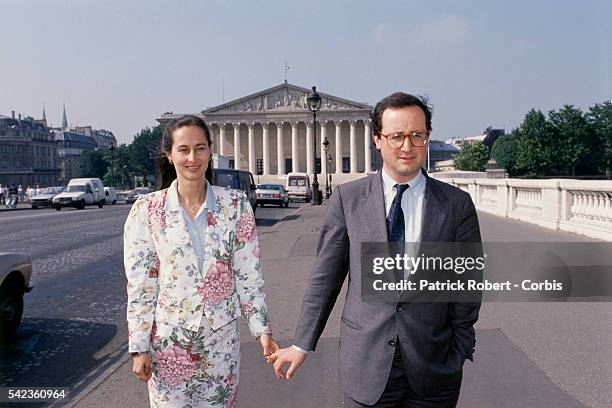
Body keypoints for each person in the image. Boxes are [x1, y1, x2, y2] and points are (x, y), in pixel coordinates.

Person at [270, 92, 482, 407]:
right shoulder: (348, 199)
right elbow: (325, 279)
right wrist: (302, 344)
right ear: (378, 139)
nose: (407, 146)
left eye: (416, 135)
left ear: (428, 137)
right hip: (366, 365)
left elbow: (466, 283)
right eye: (396, 136)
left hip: (434, 368)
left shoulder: (455, 204)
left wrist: (460, 347)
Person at [124, 115, 278, 407]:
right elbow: (142, 285)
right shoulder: (146, 210)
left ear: (210, 151)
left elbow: (248, 277)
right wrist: (138, 347)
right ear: (169, 156)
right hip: (168, 348)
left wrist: (262, 331)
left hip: (221, 347)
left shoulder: (236, 205)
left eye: (200, 148)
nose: (192, 157)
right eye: (183, 149)